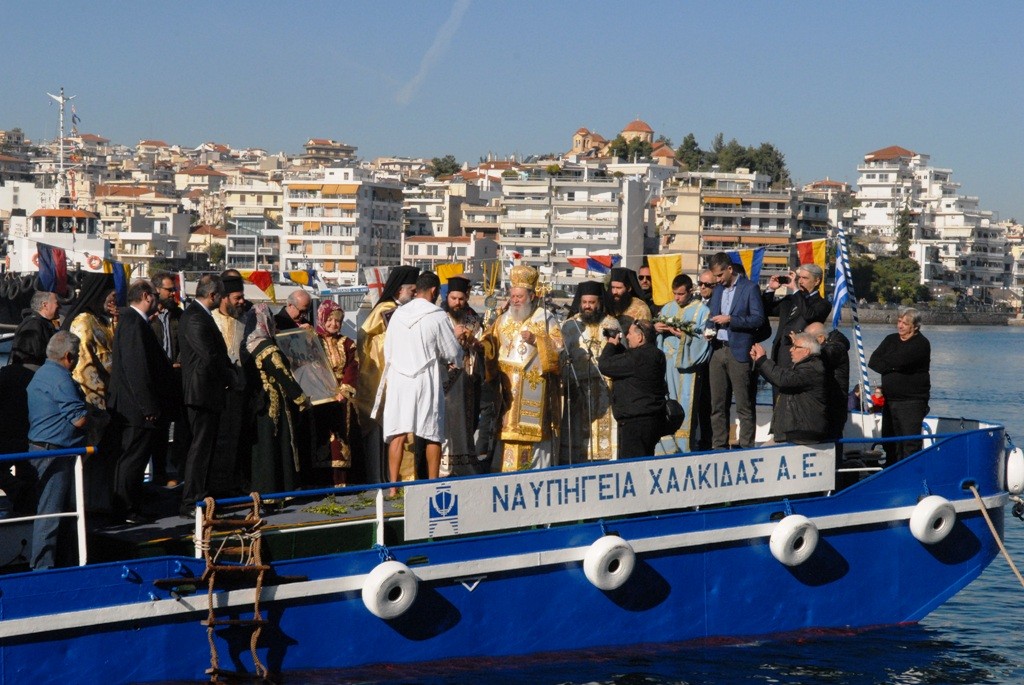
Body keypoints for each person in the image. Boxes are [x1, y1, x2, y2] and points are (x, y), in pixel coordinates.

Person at [374, 272, 462, 494]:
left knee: (398, 432)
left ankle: (393, 488)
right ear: (433, 291)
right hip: (425, 378)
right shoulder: (437, 316)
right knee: (432, 432)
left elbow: (388, 348)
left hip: (399, 378)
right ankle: (433, 485)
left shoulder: (398, 314)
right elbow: (451, 351)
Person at [484, 264, 563, 471]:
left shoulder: (545, 318)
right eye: (513, 296)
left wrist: (537, 340)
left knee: (532, 438)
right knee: (507, 434)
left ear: (531, 295)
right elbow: (490, 344)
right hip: (507, 391)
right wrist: (479, 344)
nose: (515, 300)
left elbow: (560, 351)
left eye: (519, 296)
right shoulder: (502, 319)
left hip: (533, 390)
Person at [108, 281, 175, 523]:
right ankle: (126, 509)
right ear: (147, 296)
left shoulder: (131, 322)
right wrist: (148, 407)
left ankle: (131, 505)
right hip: (135, 408)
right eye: (156, 295)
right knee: (133, 459)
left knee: (132, 459)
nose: (158, 300)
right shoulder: (134, 323)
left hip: (130, 405)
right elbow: (137, 370)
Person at [26, 331, 89, 569]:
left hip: (39, 449)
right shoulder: (61, 379)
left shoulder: (42, 373)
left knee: (49, 512)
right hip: (55, 453)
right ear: (68, 356)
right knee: (50, 514)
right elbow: (79, 419)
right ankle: (43, 567)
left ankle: (57, 560)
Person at [356, 265, 419, 483]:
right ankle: (386, 478)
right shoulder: (385, 309)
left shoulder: (404, 309)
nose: (414, 295)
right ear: (401, 289)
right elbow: (366, 340)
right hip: (382, 379)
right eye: (412, 291)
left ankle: (402, 478)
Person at [178, 274, 233, 516]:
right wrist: (230, 376)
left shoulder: (200, 316)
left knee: (206, 448)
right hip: (200, 393)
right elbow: (209, 356)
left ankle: (202, 495)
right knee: (199, 448)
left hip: (208, 392)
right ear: (212, 295)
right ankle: (192, 500)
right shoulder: (194, 318)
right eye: (220, 296)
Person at [241, 303, 310, 494]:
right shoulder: (267, 347)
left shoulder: (247, 344)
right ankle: (276, 490)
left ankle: (261, 490)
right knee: (274, 446)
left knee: (262, 448)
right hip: (274, 403)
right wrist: (301, 398)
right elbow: (283, 374)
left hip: (257, 403)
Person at [63, 274, 117, 512]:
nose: (112, 299)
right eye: (109, 295)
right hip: (91, 401)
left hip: (109, 398)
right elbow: (88, 363)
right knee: (88, 461)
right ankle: (85, 508)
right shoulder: (84, 322)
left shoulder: (102, 320)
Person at [706, 252, 766, 449]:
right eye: (715, 276)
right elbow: (711, 317)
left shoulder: (750, 289)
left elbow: (758, 319)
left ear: (730, 269)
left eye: (720, 275)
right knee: (717, 404)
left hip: (739, 351)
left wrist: (731, 320)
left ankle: (747, 446)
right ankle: (719, 446)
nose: (718, 280)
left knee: (744, 404)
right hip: (717, 350)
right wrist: (709, 330)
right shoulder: (717, 291)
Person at [559, 281, 618, 463]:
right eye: (584, 302)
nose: (587, 306)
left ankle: (605, 462)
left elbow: (618, 352)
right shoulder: (569, 326)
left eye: (592, 303)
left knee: (603, 432)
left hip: (604, 388)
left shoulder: (611, 323)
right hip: (577, 388)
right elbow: (561, 354)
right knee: (577, 429)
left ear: (599, 302)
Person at [654, 274, 710, 454]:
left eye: (680, 294)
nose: (676, 298)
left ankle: (684, 449)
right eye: (674, 294)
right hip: (667, 364)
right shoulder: (667, 308)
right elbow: (655, 336)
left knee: (686, 402)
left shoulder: (702, 310)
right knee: (665, 400)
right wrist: (656, 329)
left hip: (688, 368)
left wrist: (683, 335)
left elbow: (706, 339)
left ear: (690, 291)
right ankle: (664, 447)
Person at [598, 319, 668, 459]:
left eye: (629, 334)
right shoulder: (656, 354)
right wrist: (619, 347)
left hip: (635, 423)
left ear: (640, 337)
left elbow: (605, 365)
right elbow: (629, 362)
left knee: (634, 466)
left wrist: (611, 344)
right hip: (652, 419)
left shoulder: (637, 357)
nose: (627, 337)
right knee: (646, 461)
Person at [869, 308, 930, 463]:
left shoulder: (921, 343)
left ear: (915, 326)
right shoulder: (890, 340)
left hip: (911, 401)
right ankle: (890, 469)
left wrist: (889, 363)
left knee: (909, 442)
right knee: (889, 440)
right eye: (899, 321)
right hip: (889, 400)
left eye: (905, 323)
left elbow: (901, 360)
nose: (900, 326)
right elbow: (873, 361)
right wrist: (891, 365)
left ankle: (910, 475)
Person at [313, 300, 361, 486]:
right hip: (319, 396)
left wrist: (344, 390)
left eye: (338, 321)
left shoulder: (347, 343)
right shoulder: (313, 340)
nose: (334, 324)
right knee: (322, 436)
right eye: (330, 320)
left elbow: (352, 367)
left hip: (341, 397)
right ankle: (320, 482)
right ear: (322, 319)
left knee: (341, 440)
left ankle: (341, 481)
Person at [750, 333, 828, 444]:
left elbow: (783, 379)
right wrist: (760, 362)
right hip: (794, 431)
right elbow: (777, 380)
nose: (791, 350)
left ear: (806, 351)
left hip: (803, 433)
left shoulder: (811, 368)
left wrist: (763, 360)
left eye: (795, 347)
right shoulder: (800, 366)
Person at [209, 274, 248, 494]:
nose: (242, 301)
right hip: (217, 392)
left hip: (239, 391)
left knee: (237, 440)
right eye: (238, 297)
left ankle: (234, 484)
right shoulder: (210, 319)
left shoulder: (244, 320)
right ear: (224, 298)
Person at [150, 271, 185, 487]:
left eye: (173, 289)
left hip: (175, 375)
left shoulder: (177, 315)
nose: (172, 293)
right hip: (156, 377)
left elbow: (183, 341)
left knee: (176, 425)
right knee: (156, 428)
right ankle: (156, 472)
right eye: (168, 289)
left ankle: (169, 469)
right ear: (156, 290)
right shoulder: (148, 317)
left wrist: (179, 361)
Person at [762, 264, 831, 372]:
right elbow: (766, 310)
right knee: (777, 386)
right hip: (779, 352)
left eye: (805, 278)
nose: (800, 282)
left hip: (801, 355)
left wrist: (795, 290)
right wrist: (771, 289)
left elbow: (809, 315)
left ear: (817, 281)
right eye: (799, 278)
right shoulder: (791, 299)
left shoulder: (822, 304)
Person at [804, 322, 850, 441]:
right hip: (824, 405)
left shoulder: (836, 348)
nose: (805, 343)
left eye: (808, 339)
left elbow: (825, 355)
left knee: (832, 442)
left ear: (820, 338)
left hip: (833, 406)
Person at [693, 270, 717, 449]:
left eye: (707, 285)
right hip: (695, 359)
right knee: (697, 400)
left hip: (713, 358)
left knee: (711, 402)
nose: (703, 287)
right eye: (700, 283)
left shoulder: (718, 305)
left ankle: (709, 440)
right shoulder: (694, 304)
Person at [12, 291, 59, 366]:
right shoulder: (33, 325)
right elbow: (29, 356)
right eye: (57, 303)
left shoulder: (42, 324)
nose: (59, 306)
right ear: (45, 305)